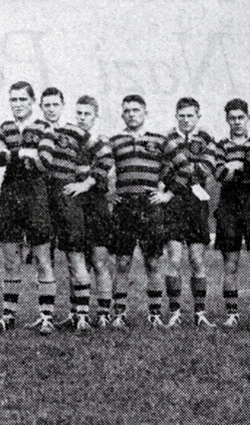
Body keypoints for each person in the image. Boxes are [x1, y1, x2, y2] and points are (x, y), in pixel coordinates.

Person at [107, 95, 193, 328]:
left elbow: (185, 167)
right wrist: (108, 192)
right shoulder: (114, 141)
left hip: (150, 206)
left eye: (136, 110)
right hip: (125, 207)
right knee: (123, 262)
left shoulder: (160, 140)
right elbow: (99, 166)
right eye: (127, 110)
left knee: (153, 262)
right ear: (122, 114)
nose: (132, 114)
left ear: (146, 113)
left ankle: (154, 314)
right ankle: (119, 314)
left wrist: (167, 194)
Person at [0, 82, 56, 335]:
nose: (17, 104)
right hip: (9, 192)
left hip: (35, 194)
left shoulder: (44, 127)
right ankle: (9, 316)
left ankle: (46, 316)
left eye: (22, 100)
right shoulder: (5, 127)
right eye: (13, 100)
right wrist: (25, 153)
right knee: (10, 259)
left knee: (42, 257)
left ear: (32, 101)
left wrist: (11, 153)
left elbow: (45, 162)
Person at [38, 87, 94, 331]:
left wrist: (85, 184)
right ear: (41, 107)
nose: (51, 109)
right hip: (40, 197)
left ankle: (81, 316)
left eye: (55, 104)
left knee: (75, 257)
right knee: (43, 258)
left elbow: (103, 158)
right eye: (46, 105)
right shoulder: (35, 128)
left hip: (67, 198)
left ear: (62, 105)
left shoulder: (76, 131)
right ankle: (46, 318)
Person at [214, 99, 250, 329]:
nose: (237, 122)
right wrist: (248, 165)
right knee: (230, 263)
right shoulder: (220, 145)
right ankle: (232, 314)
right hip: (228, 202)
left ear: (248, 118)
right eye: (232, 118)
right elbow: (219, 173)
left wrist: (235, 166)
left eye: (241, 117)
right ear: (227, 119)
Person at [162, 98, 218, 328]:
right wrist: (186, 170)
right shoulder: (168, 139)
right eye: (181, 115)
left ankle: (200, 314)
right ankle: (174, 313)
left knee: (196, 259)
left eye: (190, 116)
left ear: (198, 117)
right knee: (174, 259)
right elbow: (164, 170)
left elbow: (207, 169)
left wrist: (182, 169)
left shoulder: (207, 139)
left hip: (197, 202)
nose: (185, 120)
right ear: (176, 116)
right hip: (174, 202)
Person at [71, 96, 114, 328]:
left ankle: (104, 313)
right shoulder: (71, 140)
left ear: (95, 116)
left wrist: (87, 181)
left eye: (87, 114)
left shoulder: (101, 140)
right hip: (75, 204)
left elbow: (106, 164)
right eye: (79, 113)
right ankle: (80, 313)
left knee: (99, 262)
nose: (82, 118)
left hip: (96, 203)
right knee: (76, 260)